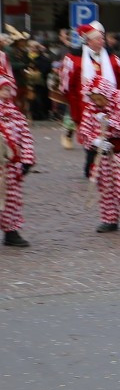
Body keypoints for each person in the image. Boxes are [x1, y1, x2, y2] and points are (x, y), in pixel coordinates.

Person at [61, 23, 120, 178]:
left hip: (111, 107)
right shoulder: (74, 59)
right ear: (88, 41)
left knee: (109, 136)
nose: (102, 41)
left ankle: (105, 166)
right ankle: (92, 164)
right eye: (98, 38)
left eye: (102, 38)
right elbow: (67, 86)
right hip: (85, 107)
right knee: (90, 136)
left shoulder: (113, 59)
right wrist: (74, 107)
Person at [79, 74, 120, 234]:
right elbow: (84, 131)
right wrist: (95, 141)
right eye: (95, 99)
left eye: (100, 99)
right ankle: (110, 219)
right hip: (102, 151)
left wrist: (109, 123)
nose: (98, 103)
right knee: (105, 185)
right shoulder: (90, 109)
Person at [0, 51, 35, 247]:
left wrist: (28, 158)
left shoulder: (15, 113)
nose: (7, 93)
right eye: (3, 90)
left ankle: (11, 230)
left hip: (12, 164)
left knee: (13, 199)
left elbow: (26, 137)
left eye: (8, 89)